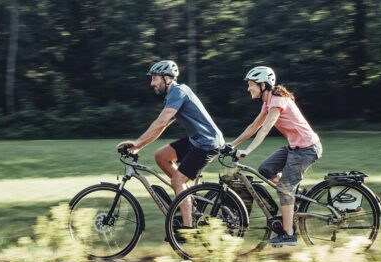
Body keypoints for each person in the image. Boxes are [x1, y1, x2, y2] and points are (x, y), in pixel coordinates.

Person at [116, 60, 225, 228]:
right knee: (161, 156)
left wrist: (137, 143)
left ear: (167, 78)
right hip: (196, 140)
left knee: (178, 181)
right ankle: (187, 197)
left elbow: (160, 122)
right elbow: (163, 125)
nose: (152, 83)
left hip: (207, 143)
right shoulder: (174, 94)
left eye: (155, 79)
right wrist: (138, 146)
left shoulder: (178, 92)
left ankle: (188, 229)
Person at [229, 66, 322, 246]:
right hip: (294, 147)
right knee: (265, 169)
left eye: (251, 85)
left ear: (263, 85)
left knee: (285, 188)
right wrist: (232, 144)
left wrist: (248, 150)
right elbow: (253, 127)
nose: (249, 89)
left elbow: (265, 129)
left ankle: (288, 235)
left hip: (307, 148)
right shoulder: (267, 102)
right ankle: (298, 195)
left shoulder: (278, 100)